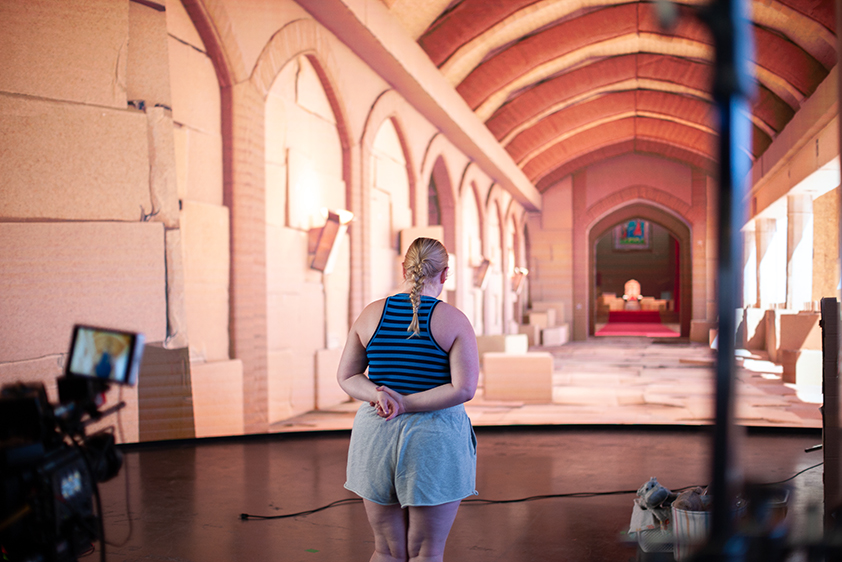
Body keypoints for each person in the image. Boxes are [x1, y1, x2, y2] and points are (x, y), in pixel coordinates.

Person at [337, 237, 479, 562]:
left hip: (376, 436)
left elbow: (346, 377)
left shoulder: (372, 313)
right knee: (425, 552)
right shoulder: (454, 320)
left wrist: (379, 395)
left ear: (404, 268)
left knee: (385, 550)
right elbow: (463, 389)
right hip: (432, 440)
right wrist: (408, 403)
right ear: (445, 274)